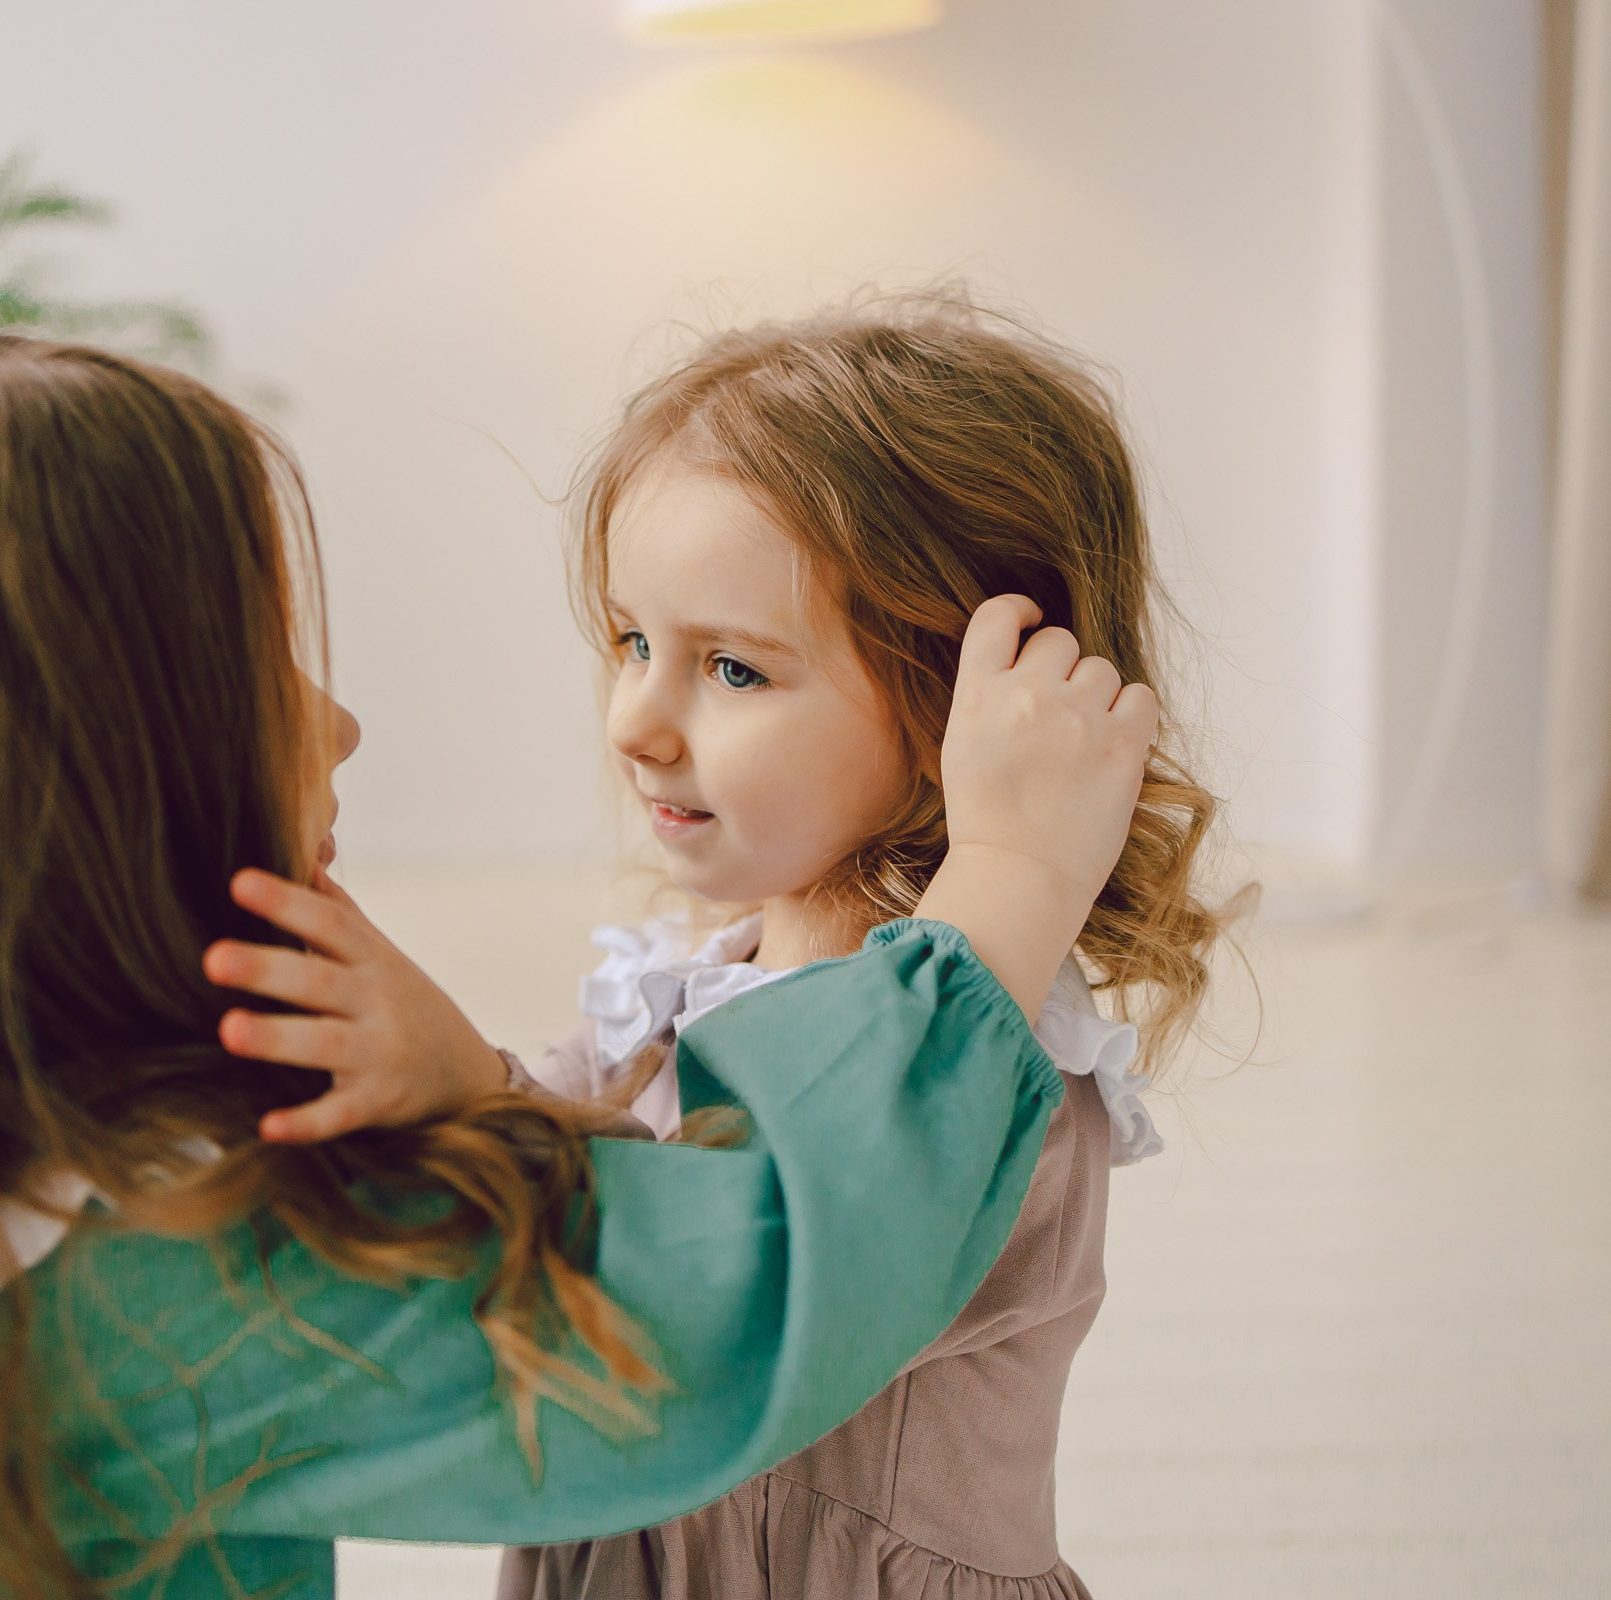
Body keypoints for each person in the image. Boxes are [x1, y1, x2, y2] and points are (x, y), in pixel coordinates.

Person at [0, 333, 1157, 1600]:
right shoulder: (143, 1278)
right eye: (259, 669)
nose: (339, 720)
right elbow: (728, 1304)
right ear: (73, 788)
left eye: (728, 664)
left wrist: (470, 1091)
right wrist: (1008, 882)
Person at [321, 297, 1216, 1600]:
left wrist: (468, 1088)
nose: (634, 721)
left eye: (731, 669)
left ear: (963, 715)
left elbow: (722, 1304)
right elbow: (566, 1166)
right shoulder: (686, 987)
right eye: (633, 642)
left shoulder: (986, 1069)